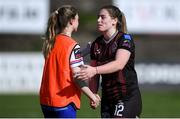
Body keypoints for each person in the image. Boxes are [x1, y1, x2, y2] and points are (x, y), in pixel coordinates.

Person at [78, 5, 142, 118]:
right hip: (108, 98)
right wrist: (93, 94)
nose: (98, 20)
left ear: (114, 21)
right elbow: (94, 75)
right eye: (98, 17)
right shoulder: (96, 44)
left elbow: (119, 64)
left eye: (103, 17)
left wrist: (95, 70)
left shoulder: (125, 39)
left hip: (126, 96)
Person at [39, 5, 100, 118]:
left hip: (46, 100)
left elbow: (63, 59)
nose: (78, 22)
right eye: (77, 19)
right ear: (72, 21)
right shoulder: (72, 45)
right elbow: (77, 77)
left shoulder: (51, 41)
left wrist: (85, 51)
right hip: (64, 101)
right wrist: (92, 96)